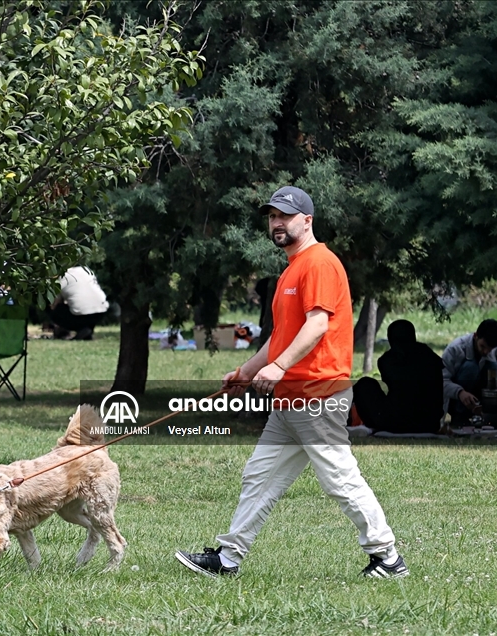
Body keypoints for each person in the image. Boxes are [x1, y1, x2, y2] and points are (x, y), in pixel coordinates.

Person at [175, 186, 408, 579]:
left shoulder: (318, 263)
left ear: (307, 220)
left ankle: (387, 557)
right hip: (290, 400)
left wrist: (280, 367)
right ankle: (228, 558)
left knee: (339, 480)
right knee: (259, 476)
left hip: (317, 395)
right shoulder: (290, 270)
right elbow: (282, 335)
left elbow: (317, 324)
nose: (277, 222)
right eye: (272, 216)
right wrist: (248, 370)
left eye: (285, 215)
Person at [352, 319, 444, 434]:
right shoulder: (429, 356)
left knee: (365, 384)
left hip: (398, 422)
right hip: (429, 424)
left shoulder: (387, 360)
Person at [442, 318, 497, 424]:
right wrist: (460, 392)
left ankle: (489, 415)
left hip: (487, 400)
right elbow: (442, 380)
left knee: (493, 367)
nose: (485, 352)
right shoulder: (455, 349)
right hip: (458, 400)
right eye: (482, 346)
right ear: (475, 336)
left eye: (490, 349)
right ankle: (460, 416)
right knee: (470, 368)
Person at [48, 266, 109, 340]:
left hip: (82, 315)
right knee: (84, 307)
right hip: (101, 310)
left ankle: (79, 330)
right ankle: (86, 331)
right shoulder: (85, 269)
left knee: (53, 310)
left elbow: (54, 304)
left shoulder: (60, 279)